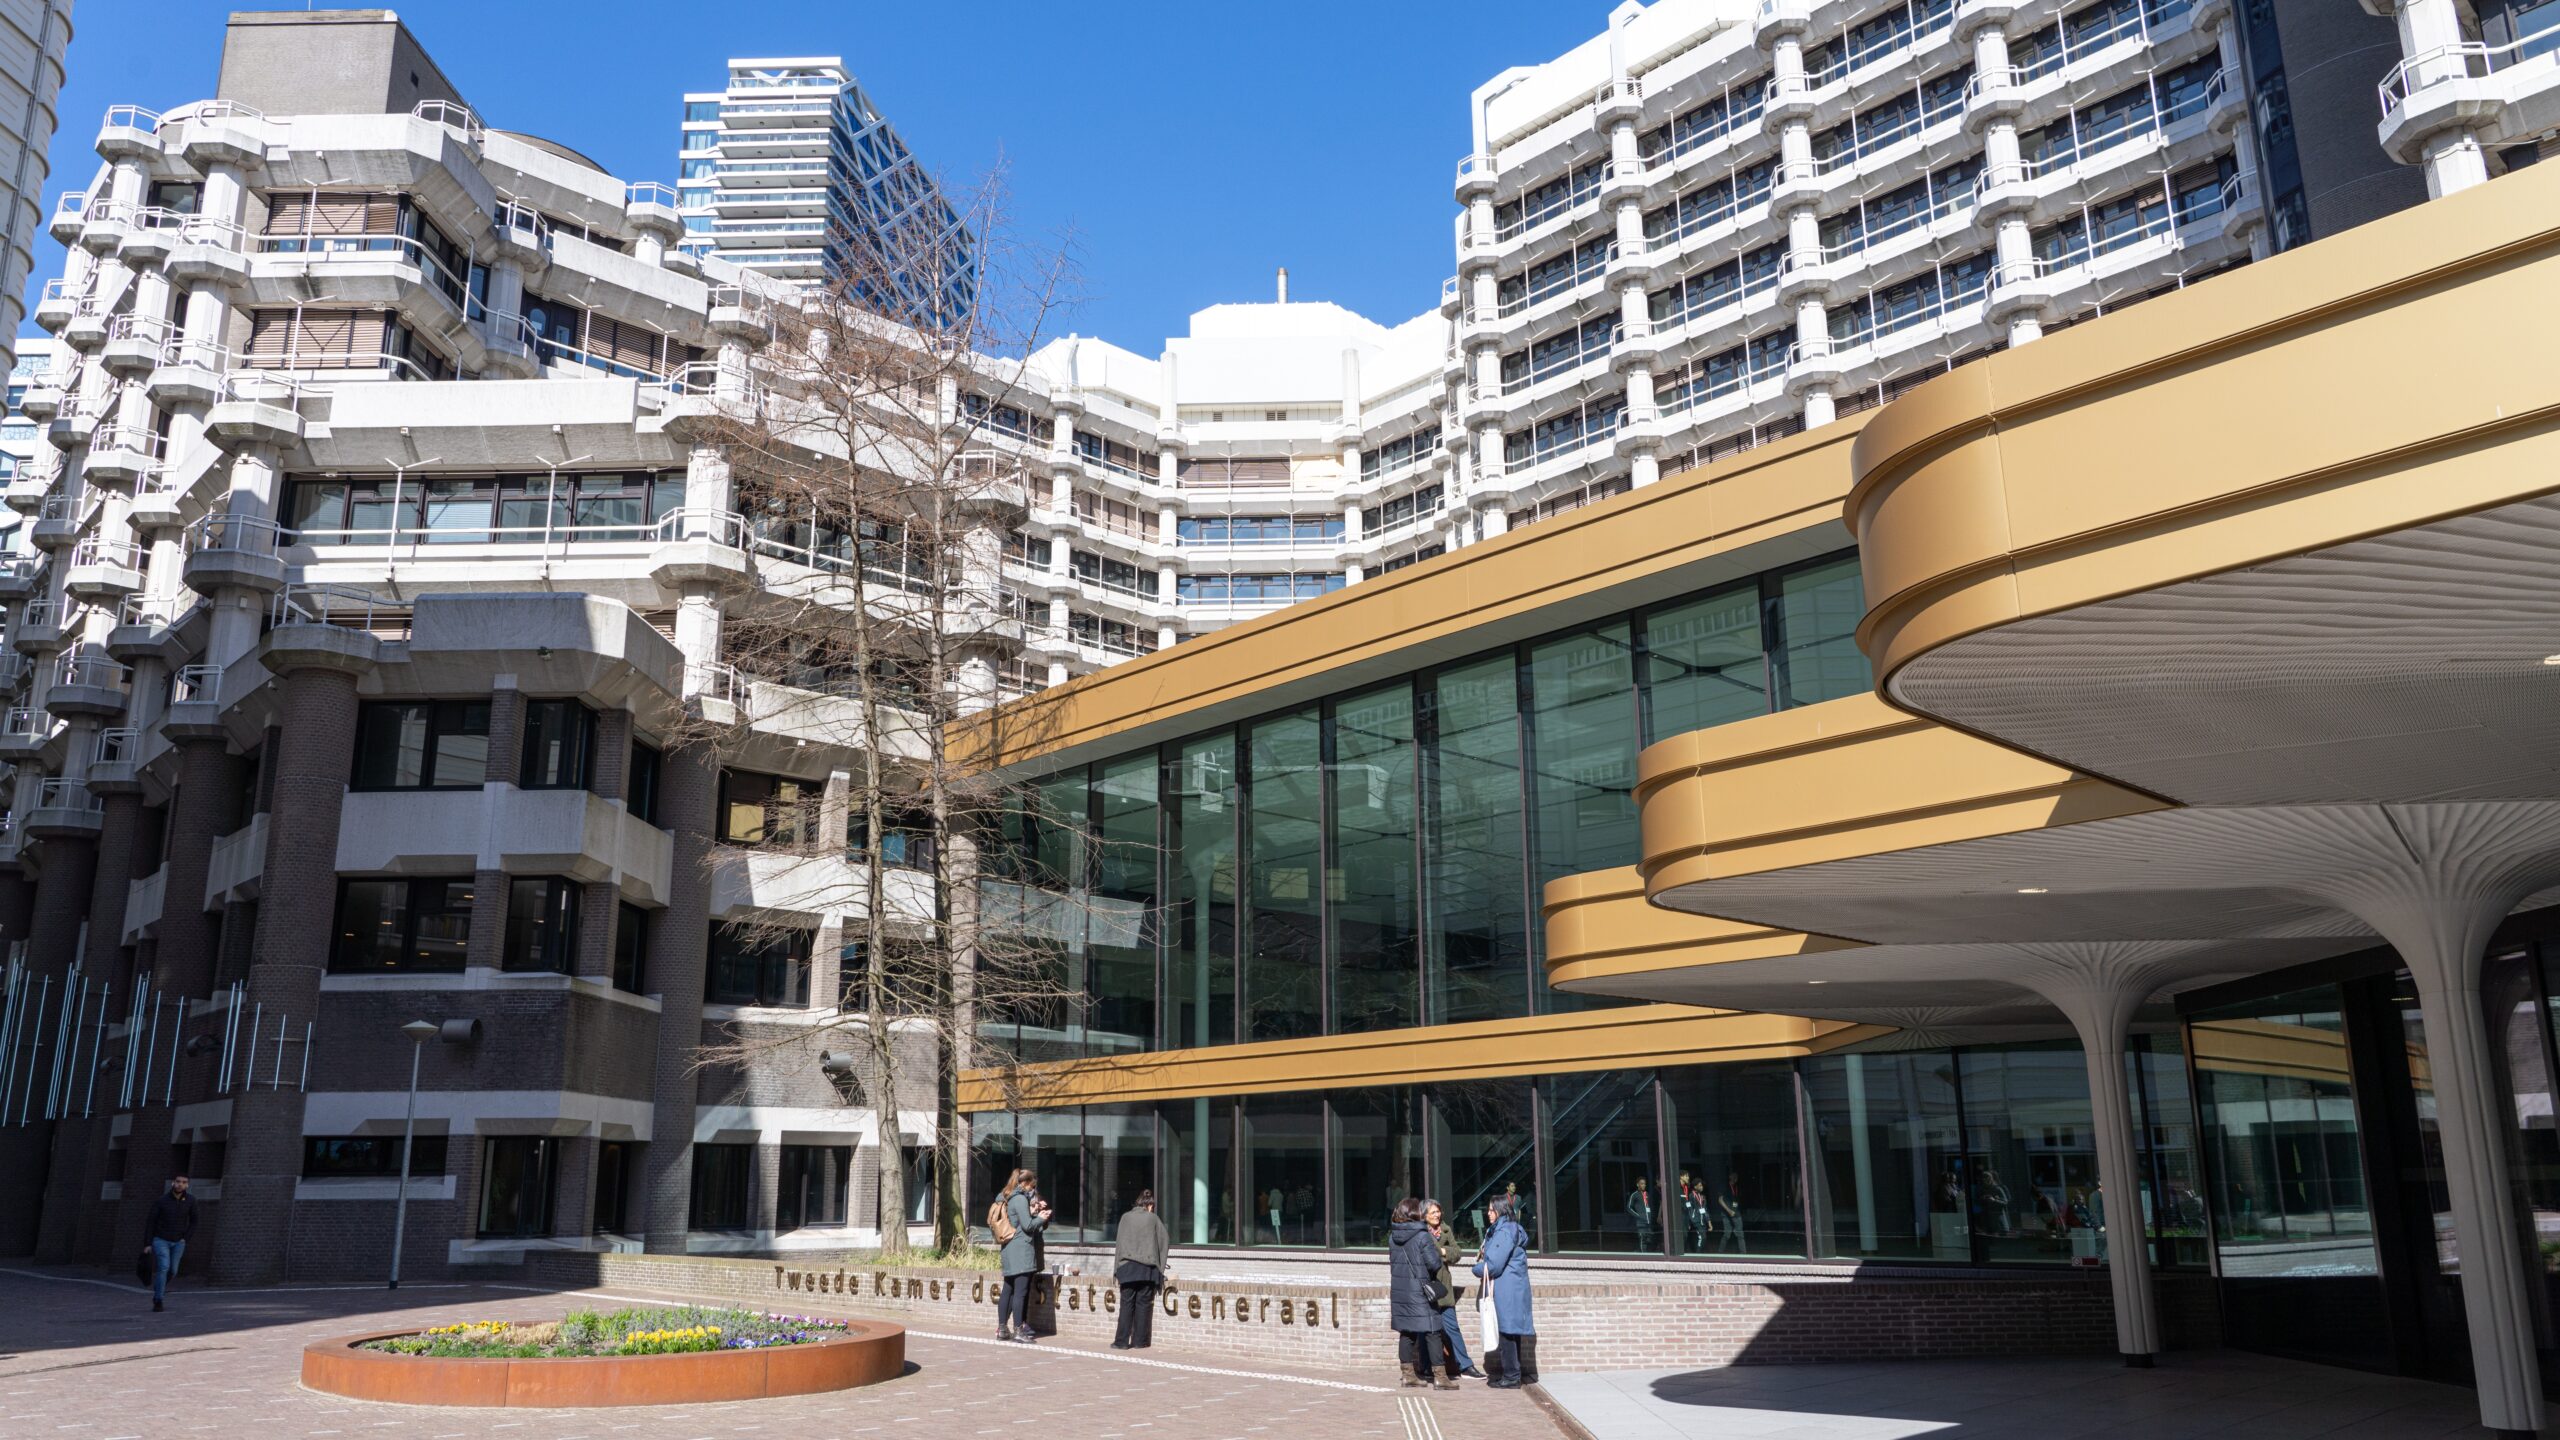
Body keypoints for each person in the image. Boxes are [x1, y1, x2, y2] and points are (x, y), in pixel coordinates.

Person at [1387, 1198, 1454, 1389]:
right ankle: (1440, 1377)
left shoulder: (1393, 1237)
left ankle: (1408, 1375)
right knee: (1433, 1331)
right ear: (1414, 1214)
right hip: (1421, 1291)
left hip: (1401, 1292)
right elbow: (1434, 1263)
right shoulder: (1423, 1236)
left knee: (1407, 1333)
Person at [1474, 1193, 1535, 1390]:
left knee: (1507, 1332)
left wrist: (1476, 1268)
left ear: (1500, 1210)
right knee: (1511, 1332)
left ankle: (1511, 1376)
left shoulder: (1504, 1232)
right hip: (1513, 1286)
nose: (1488, 1214)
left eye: (1491, 1210)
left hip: (1506, 1288)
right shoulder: (1508, 1229)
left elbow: (1493, 1265)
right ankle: (1513, 1373)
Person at [1424, 1199, 1481, 1379]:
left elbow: (1457, 1253)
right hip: (1427, 1286)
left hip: (1444, 1287)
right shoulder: (1421, 1232)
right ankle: (1426, 1368)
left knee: (1452, 1328)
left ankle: (1466, 1366)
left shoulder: (1446, 1229)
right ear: (1424, 1215)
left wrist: (1442, 1252)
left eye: (1438, 1212)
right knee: (1425, 1329)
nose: (1437, 1215)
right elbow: (1426, 1255)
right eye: (1433, 1212)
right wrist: (1445, 1251)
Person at [1111, 1189, 1169, 1350]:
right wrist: (1160, 1266)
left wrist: (1116, 1270)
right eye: (1153, 1206)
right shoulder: (1153, 1219)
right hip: (1147, 1269)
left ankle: (1121, 1341)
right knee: (1144, 1305)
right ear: (1149, 1205)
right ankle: (1140, 1341)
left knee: (1126, 1305)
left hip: (1127, 1268)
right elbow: (1165, 1240)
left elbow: (1119, 1244)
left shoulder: (1125, 1217)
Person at [997, 1168, 1049, 1344]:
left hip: (1009, 1249)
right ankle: (1019, 1329)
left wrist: (1033, 1211)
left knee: (1008, 1290)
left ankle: (1002, 1329)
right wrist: (1041, 1217)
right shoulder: (1019, 1199)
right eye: (1031, 1186)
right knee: (1020, 1292)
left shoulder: (1007, 1196)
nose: (1032, 1190)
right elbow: (1027, 1226)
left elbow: (1018, 1221)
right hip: (1021, 1250)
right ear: (1025, 1183)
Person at [145, 1173, 196, 1313]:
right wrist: (147, 1243)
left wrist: (186, 1237)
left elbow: (194, 1221)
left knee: (173, 1270)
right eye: (178, 1181)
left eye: (184, 1182)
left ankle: (159, 1287)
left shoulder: (190, 1201)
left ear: (187, 1185)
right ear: (173, 1183)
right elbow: (151, 1222)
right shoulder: (161, 1201)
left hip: (179, 1241)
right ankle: (158, 1299)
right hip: (161, 1239)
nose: (180, 1184)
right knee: (163, 1267)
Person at [1718, 1170, 1747, 1253]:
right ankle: (1720, 1253)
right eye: (1733, 1176)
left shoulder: (1736, 1187)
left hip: (1736, 1213)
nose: (1735, 1178)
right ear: (1729, 1177)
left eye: (1736, 1177)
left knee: (1740, 1234)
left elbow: (1737, 1200)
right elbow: (1720, 1200)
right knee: (1727, 1234)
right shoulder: (1724, 1186)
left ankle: (1743, 1254)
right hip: (1726, 1214)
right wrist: (1729, 1210)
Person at [1626, 1176, 1655, 1252]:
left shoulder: (1647, 1194)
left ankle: (1638, 1252)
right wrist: (1638, 1216)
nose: (1643, 1185)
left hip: (1648, 1222)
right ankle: (1644, 1257)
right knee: (1643, 1240)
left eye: (1644, 1184)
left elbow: (1649, 1206)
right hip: (1640, 1223)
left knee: (1650, 1240)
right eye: (1641, 1184)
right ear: (1637, 1185)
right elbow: (1629, 1207)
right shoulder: (1634, 1195)